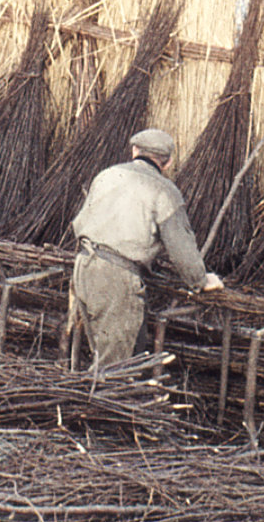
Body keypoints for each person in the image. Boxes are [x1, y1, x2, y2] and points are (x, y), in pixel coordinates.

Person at [69, 127, 223, 370]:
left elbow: (83, 221)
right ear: (169, 162)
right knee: (116, 367)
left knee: (106, 352)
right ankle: (105, 406)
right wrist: (200, 280)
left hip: (83, 267)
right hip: (116, 278)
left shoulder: (107, 175)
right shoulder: (164, 191)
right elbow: (181, 248)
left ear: (134, 151)